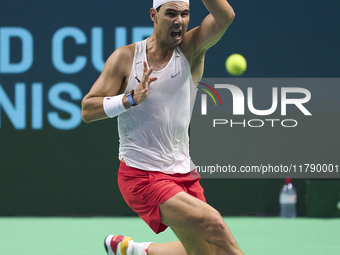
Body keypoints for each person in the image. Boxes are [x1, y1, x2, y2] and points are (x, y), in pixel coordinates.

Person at [81, 0, 243, 254]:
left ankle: (139, 250)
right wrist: (129, 99)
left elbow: (225, 16)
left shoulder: (191, 48)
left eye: (185, 14)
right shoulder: (125, 58)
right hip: (142, 176)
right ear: (153, 15)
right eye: (171, 14)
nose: (179, 20)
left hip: (183, 172)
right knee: (215, 226)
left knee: (206, 250)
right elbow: (88, 110)